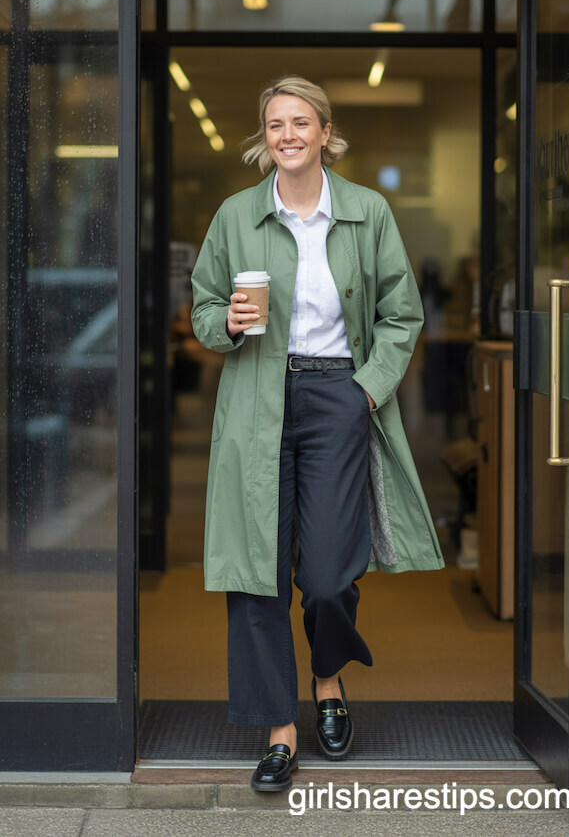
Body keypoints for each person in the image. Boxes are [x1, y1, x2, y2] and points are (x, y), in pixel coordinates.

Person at [190, 75, 444, 792]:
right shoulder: (237, 215)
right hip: (257, 398)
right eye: (276, 124)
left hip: (339, 394)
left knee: (329, 576)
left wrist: (367, 389)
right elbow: (203, 309)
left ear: (325, 133)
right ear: (264, 138)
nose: (288, 135)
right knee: (257, 572)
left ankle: (327, 677)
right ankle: (280, 731)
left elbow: (402, 314)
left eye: (301, 122)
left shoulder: (366, 211)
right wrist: (225, 321)